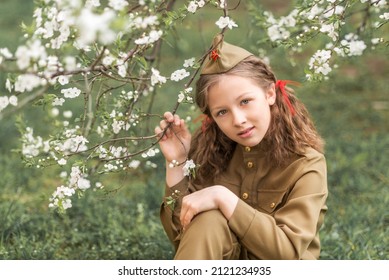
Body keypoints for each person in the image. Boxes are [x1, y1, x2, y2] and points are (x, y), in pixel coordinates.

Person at [155, 34, 328, 260]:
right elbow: (183, 234)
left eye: (245, 101)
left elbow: (289, 253)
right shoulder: (210, 152)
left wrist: (224, 198)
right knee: (208, 220)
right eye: (222, 112)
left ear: (269, 93)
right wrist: (176, 162)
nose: (238, 120)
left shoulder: (306, 163)